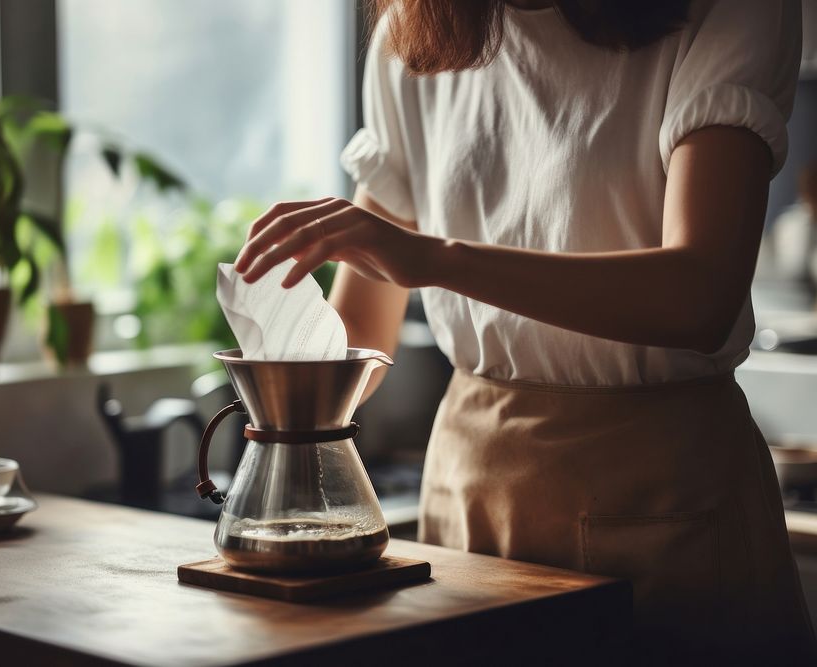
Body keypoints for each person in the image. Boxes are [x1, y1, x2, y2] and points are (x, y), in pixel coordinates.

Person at [233, 0, 816, 662]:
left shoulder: (729, 10)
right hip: (470, 496)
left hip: (662, 499)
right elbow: (363, 328)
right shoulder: (417, 32)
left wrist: (435, 258)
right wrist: (269, 338)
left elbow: (701, 292)